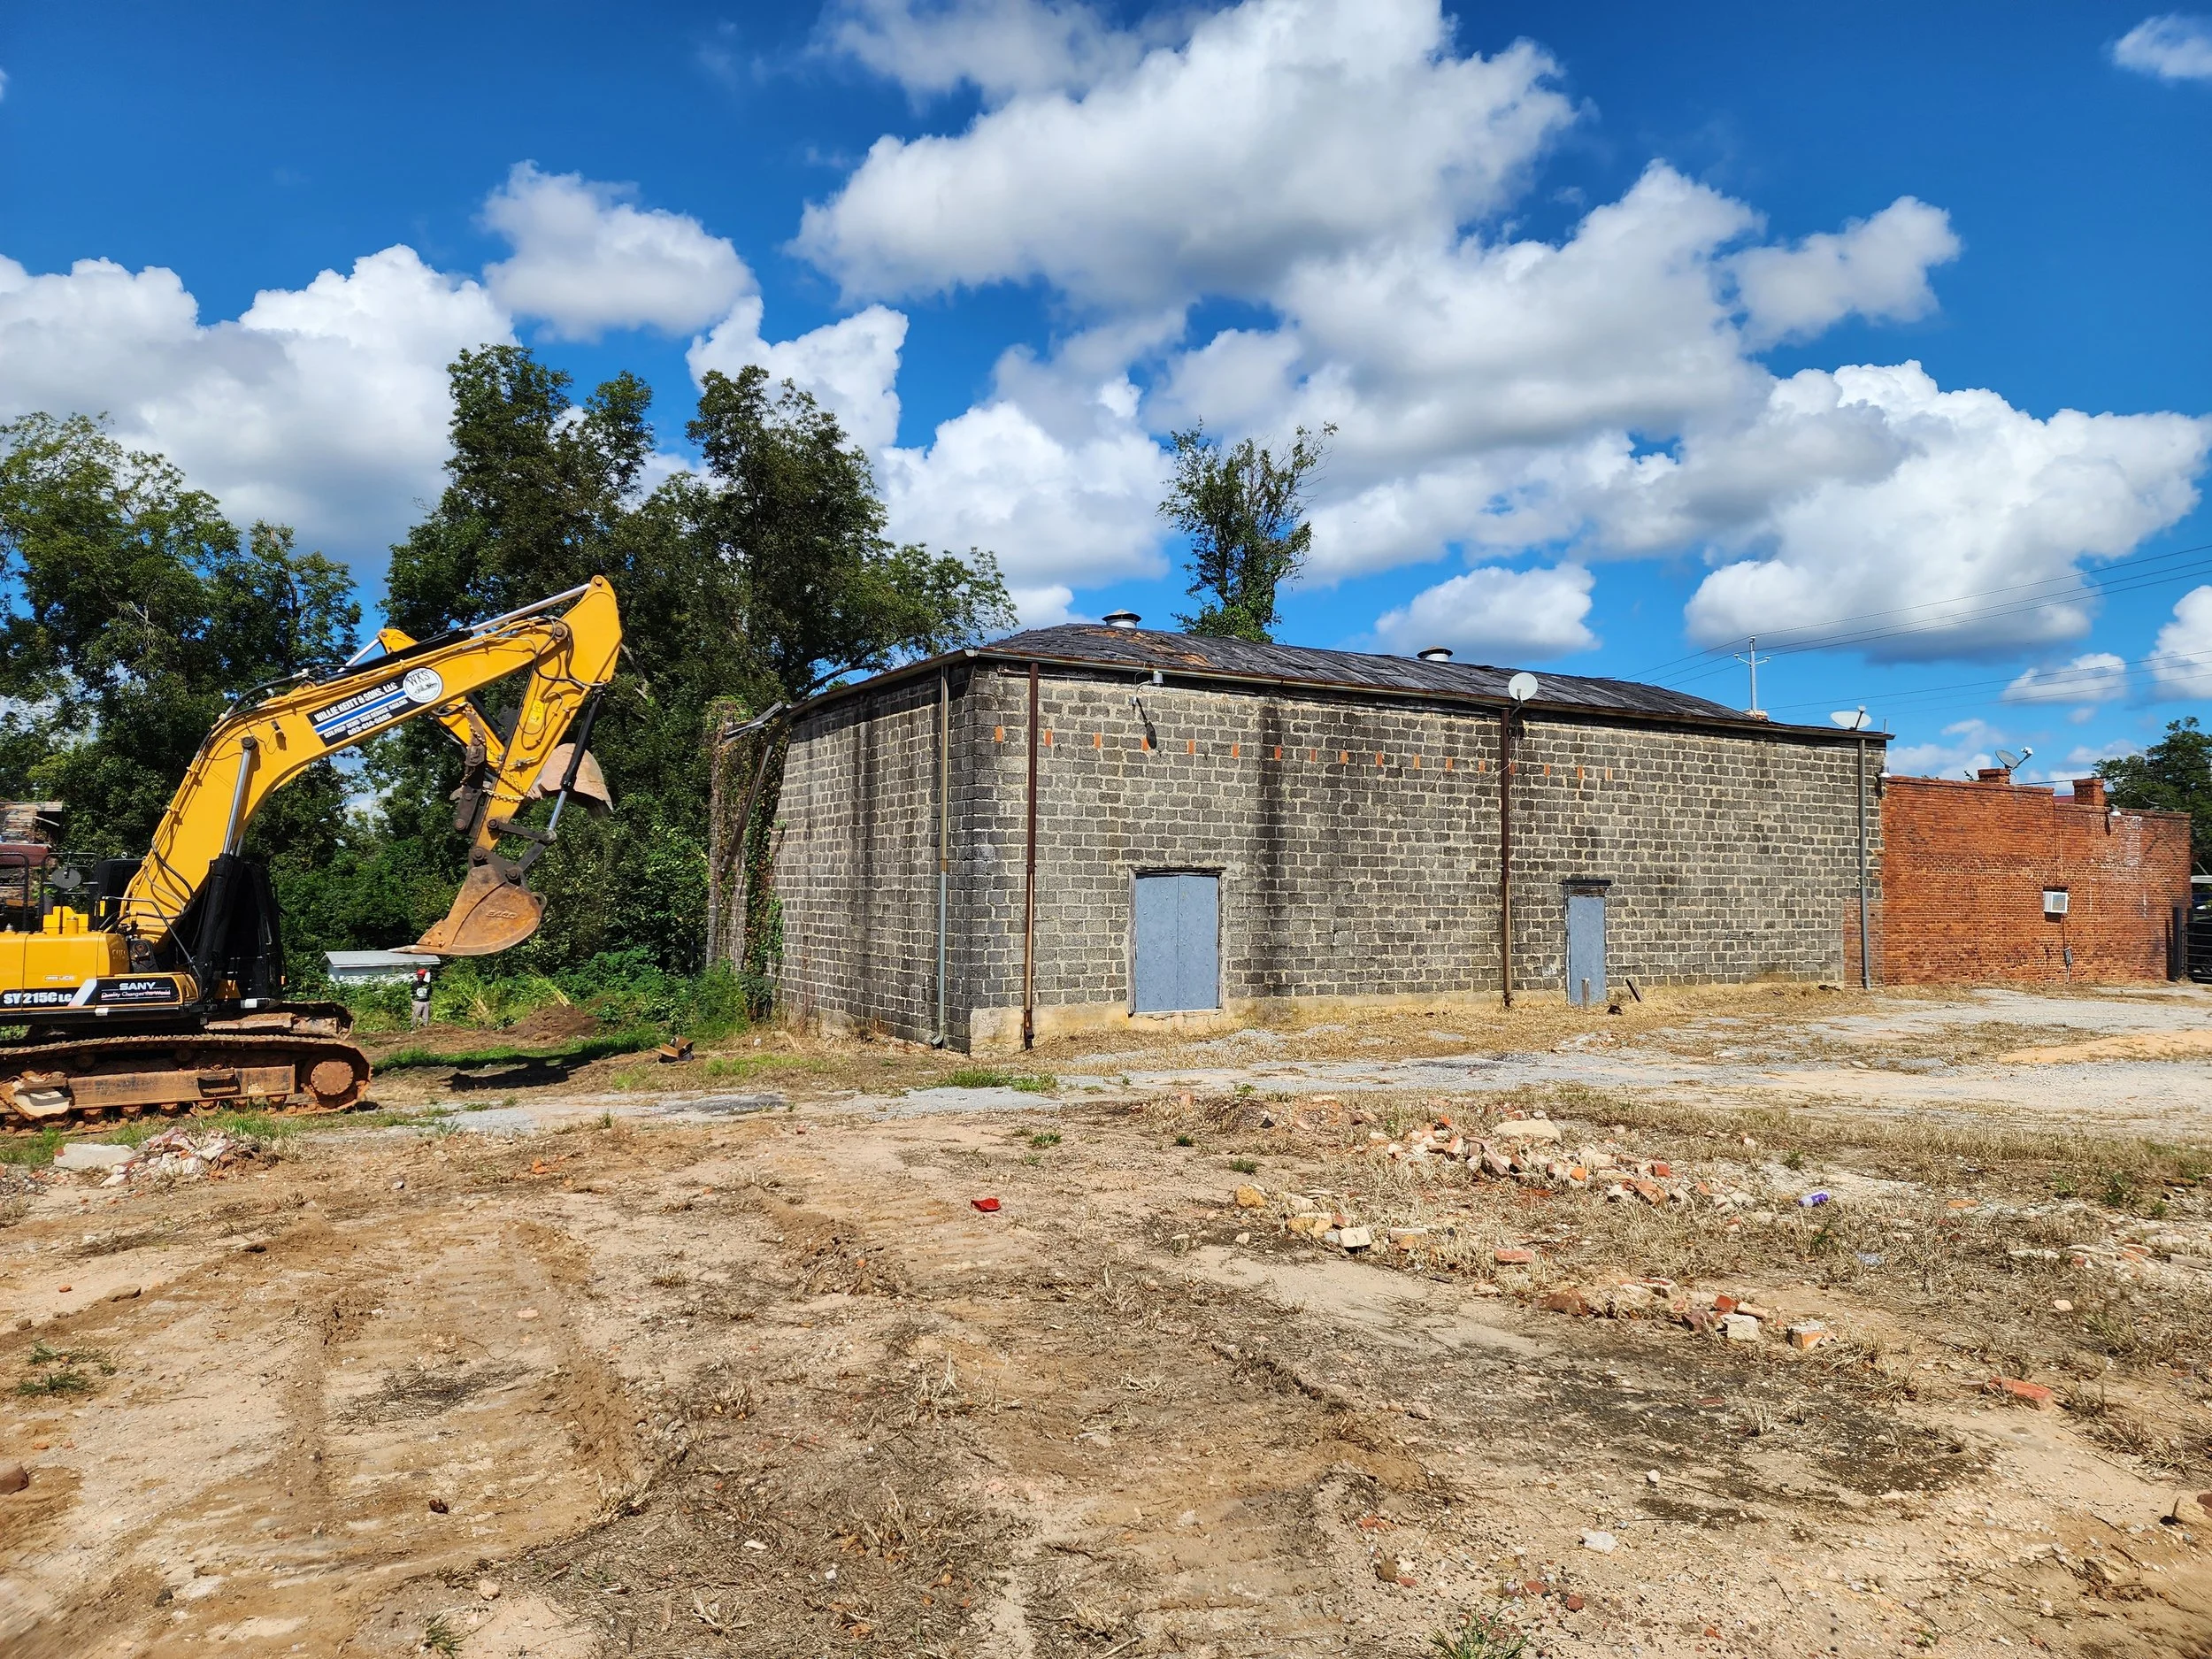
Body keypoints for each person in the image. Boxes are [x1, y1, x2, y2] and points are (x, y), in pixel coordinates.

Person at [411, 965, 433, 1029]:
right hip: (417, 1002)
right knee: (415, 1016)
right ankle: (413, 1028)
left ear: (424, 976)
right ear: (417, 976)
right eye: (419, 976)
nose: (420, 977)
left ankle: (425, 1028)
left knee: (426, 1017)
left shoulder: (427, 984)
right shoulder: (414, 984)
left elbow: (430, 992)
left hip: (426, 1002)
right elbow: (412, 993)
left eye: (422, 976)